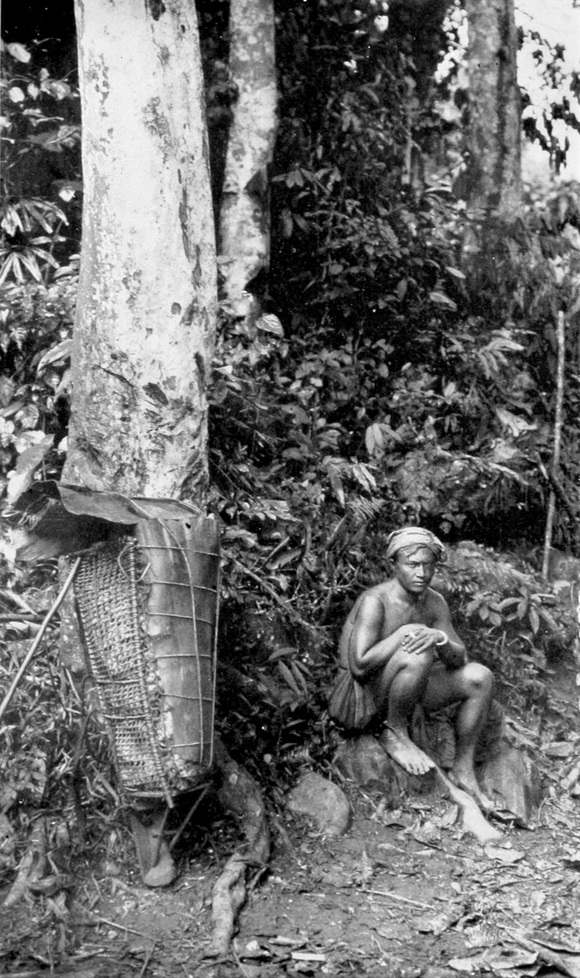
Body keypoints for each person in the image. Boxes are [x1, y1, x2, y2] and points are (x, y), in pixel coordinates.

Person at [329, 526, 494, 810]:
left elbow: (459, 659)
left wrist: (439, 637)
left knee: (481, 677)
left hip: (408, 687)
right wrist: (403, 633)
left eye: (428, 565)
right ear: (394, 564)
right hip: (363, 696)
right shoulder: (375, 601)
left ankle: (463, 768)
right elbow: (359, 665)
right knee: (417, 652)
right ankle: (394, 731)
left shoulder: (435, 602)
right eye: (413, 565)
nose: (422, 573)